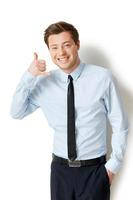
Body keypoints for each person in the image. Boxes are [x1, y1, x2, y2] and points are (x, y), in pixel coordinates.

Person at [10, 21, 129, 200]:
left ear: (77, 44)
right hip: (60, 172)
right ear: (49, 51)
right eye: (54, 47)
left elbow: (120, 125)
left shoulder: (103, 78)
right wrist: (29, 75)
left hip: (94, 172)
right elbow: (16, 112)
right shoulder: (44, 83)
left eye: (66, 45)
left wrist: (112, 167)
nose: (61, 53)